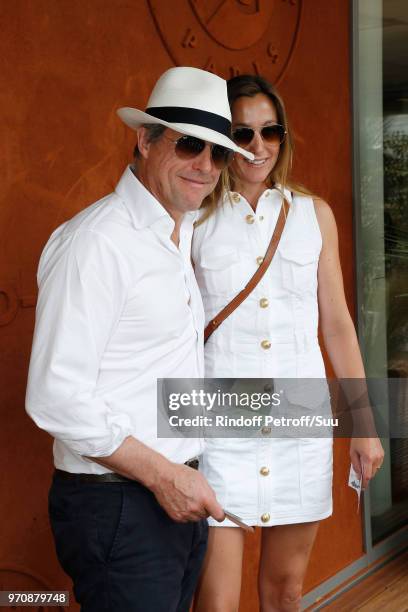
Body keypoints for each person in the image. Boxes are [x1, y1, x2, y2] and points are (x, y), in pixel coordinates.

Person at [25, 66, 254, 612]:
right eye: (190, 144)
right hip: (120, 506)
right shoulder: (97, 243)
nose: (205, 165)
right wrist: (165, 476)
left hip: (170, 498)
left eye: (218, 153)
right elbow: (55, 396)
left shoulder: (177, 235)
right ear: (145, 139)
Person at [191, 74, 384, 612]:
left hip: (300, 419)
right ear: (223, 137)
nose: (258, 147)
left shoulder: (313, 215)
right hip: (220, 424)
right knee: (216, 600)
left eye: (270, 131)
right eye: (243, 133)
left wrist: (364, 429)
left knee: (287, 592)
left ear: (284, 136)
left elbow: (338, 325)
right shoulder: (195, 218)